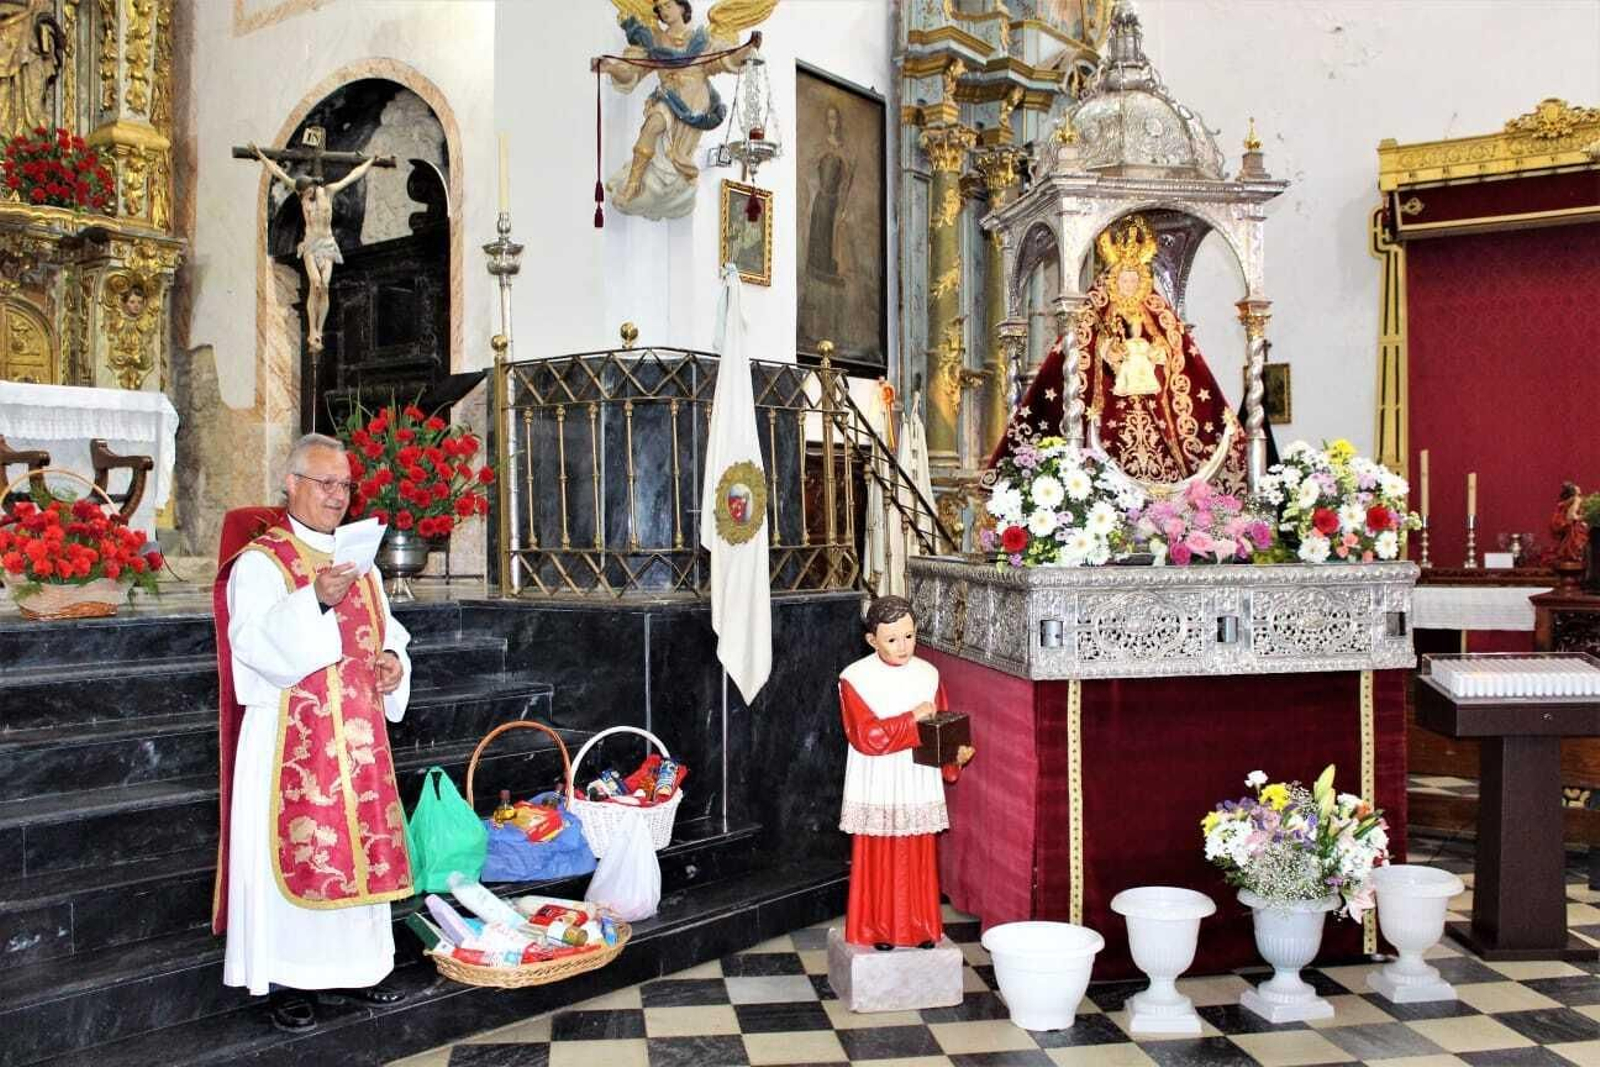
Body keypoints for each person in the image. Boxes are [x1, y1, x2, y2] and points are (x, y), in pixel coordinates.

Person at [213, 432, 414, 1033]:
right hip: (288, 741)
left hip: (356, 740)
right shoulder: (260, 562)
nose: (336, 495)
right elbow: (252, 646)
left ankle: (356, 971)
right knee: (300, 852)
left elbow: (390, 633)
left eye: (345, 485)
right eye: (324, 483)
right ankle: (285, 979)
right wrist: (315, 603)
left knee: (357, 854)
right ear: (290, 485)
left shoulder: (362, 563)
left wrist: (391, 664)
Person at [838, 595, 973, 950]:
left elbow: (941, 726)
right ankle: (877, 928)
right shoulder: (855, 678)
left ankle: (920, 926)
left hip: (916, 777)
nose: (903, 647)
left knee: (918, 854)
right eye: (892, 639)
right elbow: (867, 736)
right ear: (872, 640)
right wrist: (911, 719)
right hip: (878, 777)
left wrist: (955, 755)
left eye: (910, 637)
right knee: (879, 855)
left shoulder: (928, 674)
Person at [592, 0, 765, 219]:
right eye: (660, 7)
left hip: (694, 103)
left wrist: (749, 48)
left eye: (668, 4)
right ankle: (633, 184)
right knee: (653, 125)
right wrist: (611, 68)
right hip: (667, 96)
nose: (664, 11)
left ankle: (674, 181)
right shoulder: (654, 40)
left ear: (682, 7)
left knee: (677, 161)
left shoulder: (701, 40)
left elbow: (726, 59)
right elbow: (632, 71)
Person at [249, 144, 379, 353]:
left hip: (327, 244)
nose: (305, 196)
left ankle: (320, 329)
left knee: (325, 286)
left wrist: (370, 161)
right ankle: (313, 332)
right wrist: (260, 155)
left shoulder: (329, 191)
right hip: (310, 244)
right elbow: (278, 172)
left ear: (312, 185)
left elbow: (353, 176)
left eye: (307, 191)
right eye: (302, 193)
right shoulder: (302, 195)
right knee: (315, 284)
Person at [1548, 481, 1590, 567]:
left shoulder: (1566, 502)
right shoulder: (1576, 500)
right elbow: (1571, 516)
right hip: (1574, 530)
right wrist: (1585, 517)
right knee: (1575, 547)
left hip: (1571, 528)